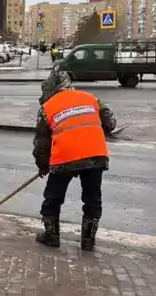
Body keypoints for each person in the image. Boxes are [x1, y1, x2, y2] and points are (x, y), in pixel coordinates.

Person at [33, 68, 116, 250]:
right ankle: (88, 241)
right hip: (95, 154)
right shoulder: (91, 98)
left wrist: (43, 166)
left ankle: (52, 235)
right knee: (92, 199)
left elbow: (42, 144)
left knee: (53, 198)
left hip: (65, 156)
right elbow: (110, 122)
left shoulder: (47, 108)